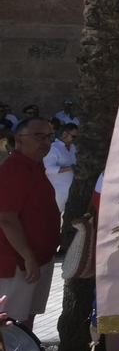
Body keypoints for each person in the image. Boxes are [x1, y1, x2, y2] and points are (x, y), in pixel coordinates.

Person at [0, 117, 60, 329]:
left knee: (28, 319)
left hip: (39, 259)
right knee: (10, 323)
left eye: (49, 136)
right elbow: (7, 219)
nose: (45, 142)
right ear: (19, 140)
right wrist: (28, 257)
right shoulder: (13, 170)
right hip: (19, 263)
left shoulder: (36, 167)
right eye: (38, 136)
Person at [43, 121, 78, 211]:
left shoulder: (73, 147)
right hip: (57, 191)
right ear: (65, 134)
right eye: (73, 136)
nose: (74, 139)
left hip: (72, 190)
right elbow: (49, 169)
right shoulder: (54, 148)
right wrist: (70, 168)